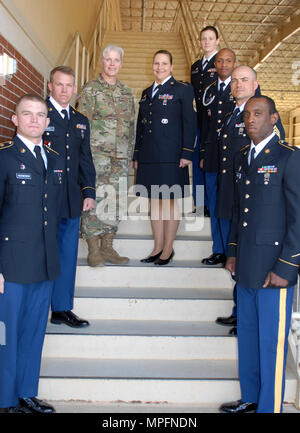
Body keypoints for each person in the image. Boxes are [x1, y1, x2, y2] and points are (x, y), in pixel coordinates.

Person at [220, 95, 300, 413]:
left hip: (274, 269)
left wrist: (287, 266)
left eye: (258, 113)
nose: (251, 119)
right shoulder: (243, 158)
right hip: (247, 266)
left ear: (274, 118)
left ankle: (271, 408)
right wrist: (233, 252)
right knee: (249, 337)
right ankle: (250, 398)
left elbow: (298, 217)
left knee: (271, 345)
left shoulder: (289, 157)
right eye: (247, 114)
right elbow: (242, 210)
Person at [0, 94, 65, 413]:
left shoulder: (53, 159)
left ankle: (27, 393)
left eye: (41, 115)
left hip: (43, 263)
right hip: (10, 266)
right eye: (27, 114)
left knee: (33, 333)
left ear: (48, 122)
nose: (35, 120)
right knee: (6, 336)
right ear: (15, 119)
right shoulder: (4, 159)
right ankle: (4, 399)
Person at [215, 66, 285, 334]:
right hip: (234, 193)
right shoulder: (233, 114)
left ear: (255, 84)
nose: (238, 84)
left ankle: (243, 315)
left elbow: (275, 162)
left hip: (259, 206)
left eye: (244, 80)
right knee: (238, 259)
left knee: (254, 263)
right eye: (234, 81)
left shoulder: (265, 112)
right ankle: (239, 312)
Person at [133, 50, 197, 265]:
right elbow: (140, 127)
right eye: (156, 63)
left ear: (171, 66)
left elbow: (190, 122)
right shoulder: (146, 92)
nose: (159, 67)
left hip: (171, 155)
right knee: (154, 203)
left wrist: (187, 152)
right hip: (149, 154)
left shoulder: (181, 90)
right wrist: (137, 154)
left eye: (164, 63)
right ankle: (157, 246)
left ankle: (168, 248)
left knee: (169, 202)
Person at [45, 66, 96, 328]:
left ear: (74, 88)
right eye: (59, 85)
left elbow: (85, 159)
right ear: (50, 86)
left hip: (70, 197)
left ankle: (62, 308)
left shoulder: (80, 120)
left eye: (69, 85)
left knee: (67, 253)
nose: (65, 90)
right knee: (42, 252)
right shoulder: (39, 114)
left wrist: (89, 192)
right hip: (43, 198)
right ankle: (40, 307)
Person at [78, 45, 135, 267]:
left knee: (115, 199)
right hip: (96, 155)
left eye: (116, 60)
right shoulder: (91, 89)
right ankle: (93, 247)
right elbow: (83, 124)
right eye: (108, 60)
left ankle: (108, 246)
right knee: (94, 197)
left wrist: (129, 153)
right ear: (102, 62)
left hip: (120, 157)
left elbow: (131, 126)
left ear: (121, 63)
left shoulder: (126, 92)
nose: (112, 64)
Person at [200, 48, 237, 266]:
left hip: (233, 159)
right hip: (213, 156)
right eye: (220, 61)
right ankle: (218, 250)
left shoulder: (242, 86)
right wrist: (203, 153)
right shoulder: (209, 90)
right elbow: (206, 125)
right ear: (215, 64)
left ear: (234, 63)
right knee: (214, 205)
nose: (224, 64)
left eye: (228, 61)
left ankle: (232, 250)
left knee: (231, 206)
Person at [191, 26, 219, 215]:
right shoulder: (195, 66)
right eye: (203, 39)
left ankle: (211, 204)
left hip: (215, 123)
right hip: (198, 121)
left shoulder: (222, 63)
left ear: (217, 40)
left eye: (210, 38)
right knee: (196, 162)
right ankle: (199, 204)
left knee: (210, 164)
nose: (206, 42)